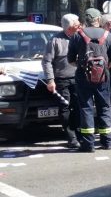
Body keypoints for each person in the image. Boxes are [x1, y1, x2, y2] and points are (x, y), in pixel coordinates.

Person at [67, 8, 111, 152]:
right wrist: (103, 68)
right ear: (98, 19)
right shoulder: (108, 35)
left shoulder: (78, 35)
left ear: (87, 19)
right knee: (104, 108)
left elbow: (70, 59)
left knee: (86, 109)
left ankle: (88, 144)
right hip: (103, 78)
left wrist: (82, 67)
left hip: (83, 78)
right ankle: (107, 142)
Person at [42, 13, 81, 148]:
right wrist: (50, 80)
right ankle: (71, 137)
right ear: (69, 27)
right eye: (77, 24)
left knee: (78, 106)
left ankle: (80, 132)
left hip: (78, 79)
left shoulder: (80, 37)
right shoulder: (55, 40)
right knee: (65, 107)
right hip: (62, 80)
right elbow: (47, 61)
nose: (79, 25)